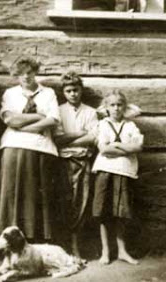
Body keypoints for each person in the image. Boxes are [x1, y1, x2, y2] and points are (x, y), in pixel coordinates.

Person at [0, 57, 60, 244]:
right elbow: (10, 121)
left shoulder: (48, 93)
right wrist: (38, 116)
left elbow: (52, 120)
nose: (26, 76)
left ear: (35, 72)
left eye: (29, 72)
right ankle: (9, 239)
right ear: (16, 76)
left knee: (35, 195)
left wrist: (23, 125)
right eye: (21, 73)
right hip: (13, 146)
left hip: (41, 147)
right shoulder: (10, 94)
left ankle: (33, 239)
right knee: (11, 192)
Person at [92, 92, 143, 265]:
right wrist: (126, 149)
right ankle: (106, 251)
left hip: (125, 171)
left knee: (122, 212)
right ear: (107, 107)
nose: (116, 108)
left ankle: (122, 250)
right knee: (104, 212)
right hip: (105, 171)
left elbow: (137, 146)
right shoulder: (103, 124)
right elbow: (104, 150)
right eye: (112, 105)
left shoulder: (130, 126)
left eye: (119, 104)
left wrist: (117, 145)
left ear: (124, 107)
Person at [54, 71, 98, 258]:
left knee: (82, 200)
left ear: (81, 90)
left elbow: (93, 138)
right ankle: (65, 245)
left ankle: (78, 244)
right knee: (65, 201)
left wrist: (71, 139)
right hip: (63, 162)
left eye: (76, 90)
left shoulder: (90, 112)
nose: (73, 94)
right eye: (69, 90)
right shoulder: (58, 110)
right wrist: (80, 134)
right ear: (64, 92)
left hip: (83, 161)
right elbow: (57, 139)